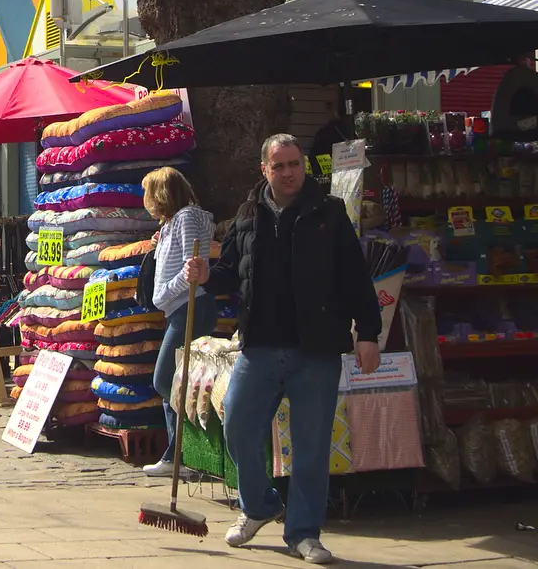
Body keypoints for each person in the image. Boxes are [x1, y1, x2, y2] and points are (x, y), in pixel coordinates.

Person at [184, 134, 381, 566]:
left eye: (295, 164)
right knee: (237, 425)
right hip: (259, 347)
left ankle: (305, 534)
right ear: (265, 170)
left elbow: (355, 279)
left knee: (311, 448)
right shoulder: (248, 214)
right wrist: (203, 275)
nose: (289, 172)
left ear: (304, 166)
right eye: (280, 165)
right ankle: (259, 505)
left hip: (317, 349)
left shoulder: (329, 214)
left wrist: (368, 332)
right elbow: (229, 272)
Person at [139, 166, 217, 478]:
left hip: (190, 305)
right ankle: (178, 453)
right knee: (174, 381)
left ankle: (178, 453)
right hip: (179, 307)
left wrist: (163, 294)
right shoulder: (174, 222)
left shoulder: (187, 217)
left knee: (167, 379)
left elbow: (191, 266)